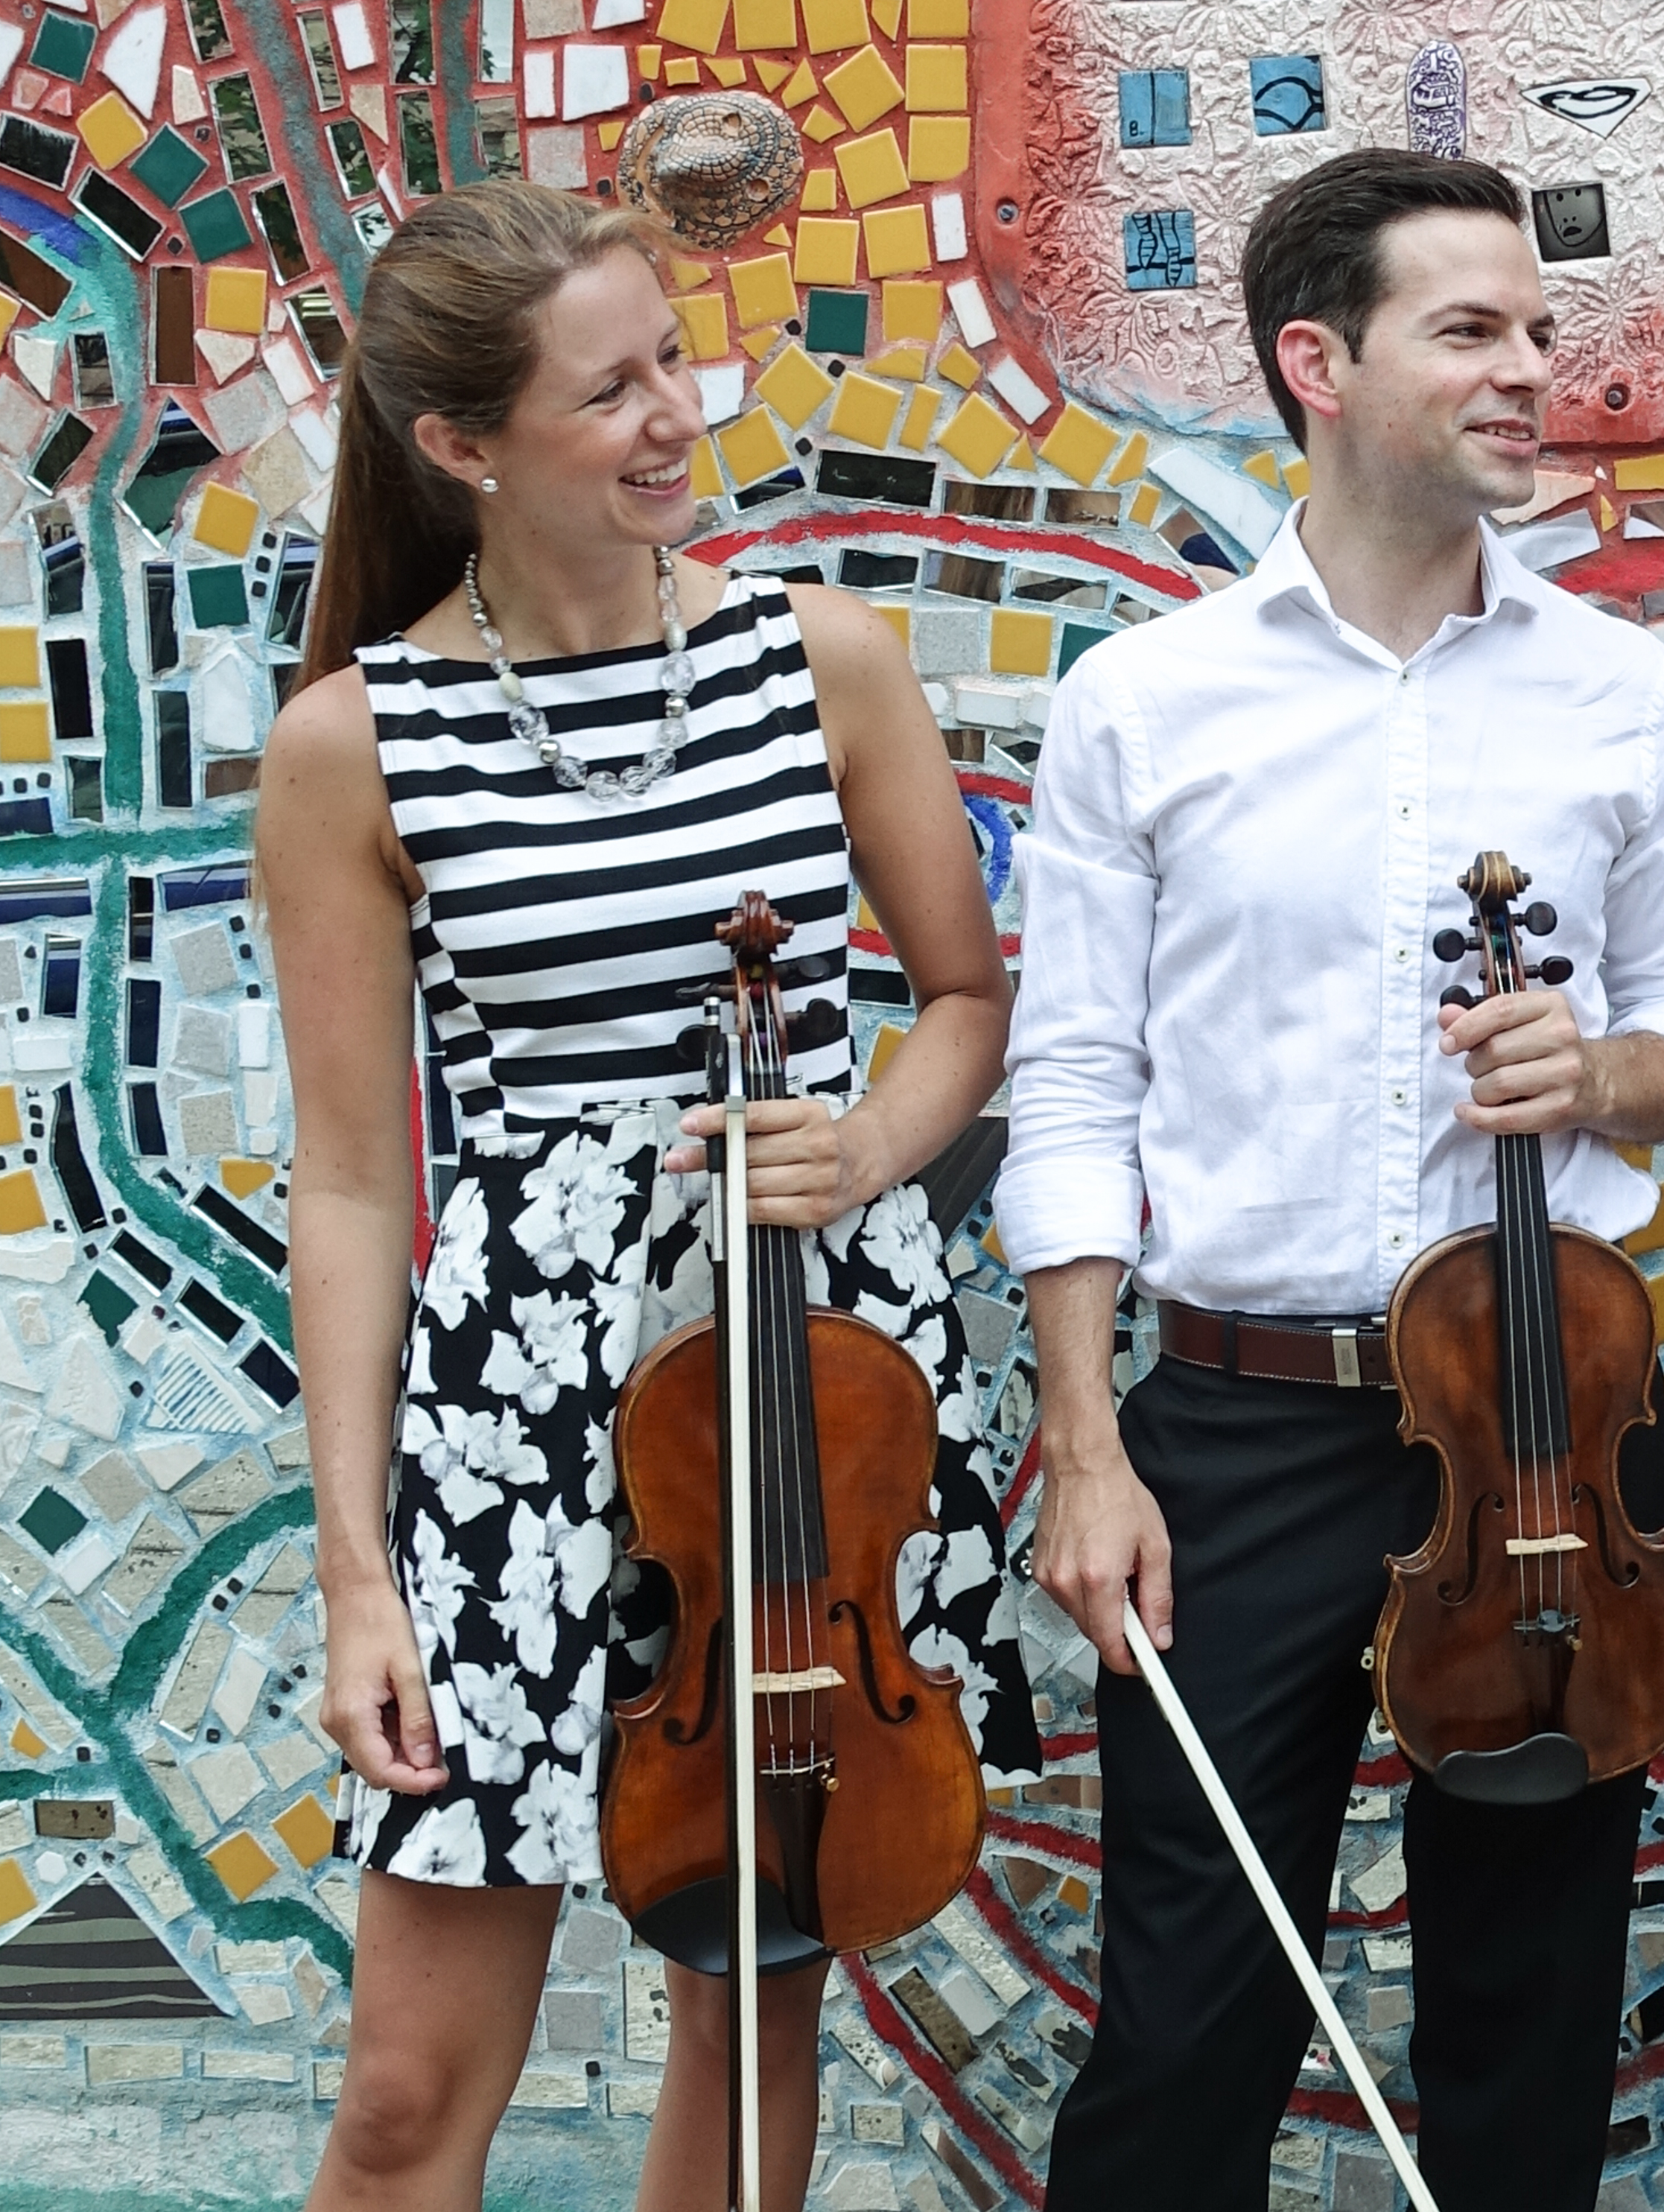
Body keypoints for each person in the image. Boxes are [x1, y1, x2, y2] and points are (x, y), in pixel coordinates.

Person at [262, 179, 1033, 2211]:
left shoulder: (825, 659)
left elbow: (965, 999)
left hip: (800, 1380)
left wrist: (868, 1141)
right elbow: (350, 1184)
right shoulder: (354, 743)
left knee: (745, 2005)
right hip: (517, 1414)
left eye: (669, 359)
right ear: (461, 447)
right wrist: (359, 1570)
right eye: (608, 391)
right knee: (407, 2095)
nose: (673, 415)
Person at [1003, 147, 1664, 2208]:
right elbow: (1069, 1081)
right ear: (1316, 362)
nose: (1532, 370)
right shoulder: (1145, 705)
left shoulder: (1624, 692)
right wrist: (1086, 1440)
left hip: (1547, 1425)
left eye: (1539, 330)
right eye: (1475, 332)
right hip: (1236, 1422)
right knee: (1186, 2010)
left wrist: (1606, 1068)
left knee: (1526, 2016)